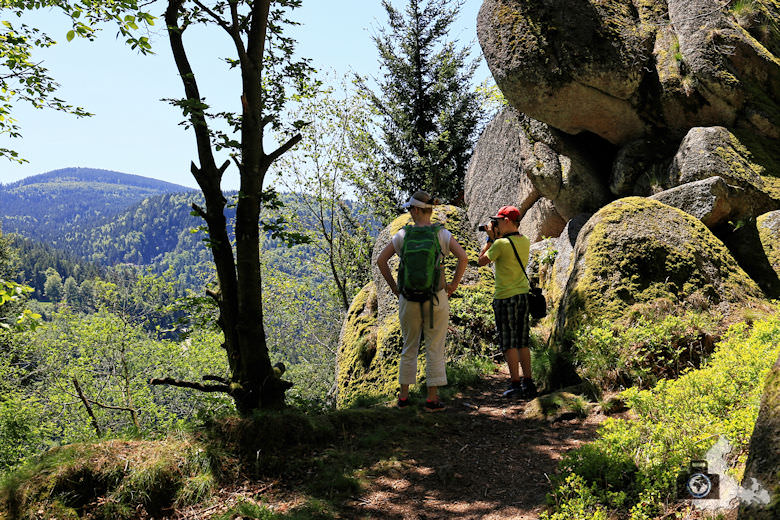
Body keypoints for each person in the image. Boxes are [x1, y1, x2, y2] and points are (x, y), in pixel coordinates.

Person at [377, 190, 468, 412]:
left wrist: (395, 288)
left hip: (408, 299)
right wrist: (453, 285)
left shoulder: (403, 235)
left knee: (409, 347)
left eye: (410, 208)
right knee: (434, 347)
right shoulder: (441, 234)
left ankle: (404, 398)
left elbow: (381, 260)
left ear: (417, 210)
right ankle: (432, 399)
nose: (409, 212)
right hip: (435, 298)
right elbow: (463, 258)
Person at [478, 205, 538, 399]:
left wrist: (489, 238)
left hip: (505, 297)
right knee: (522, 341)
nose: (496, 224)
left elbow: (481, 261)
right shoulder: (526, 241)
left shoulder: (500, 244)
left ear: (507, 221)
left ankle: (514, 384)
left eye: (498, 220)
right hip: (523, 295)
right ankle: (528, 382)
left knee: (508, 342)